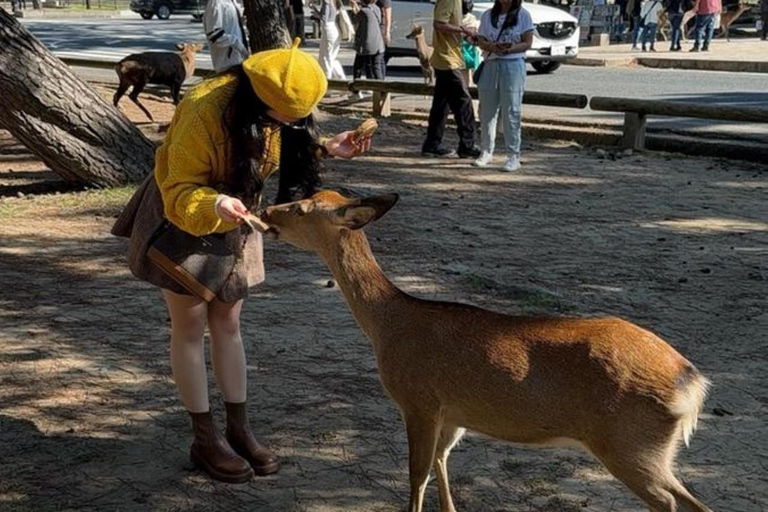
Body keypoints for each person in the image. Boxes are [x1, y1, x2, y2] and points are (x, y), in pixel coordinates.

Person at [111, 39, 372, 484]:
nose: (294, 124)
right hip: (186, 215)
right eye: (287, 117)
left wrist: (325, 147)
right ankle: (204, 436)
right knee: (189, 326)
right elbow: (179, 190)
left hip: (238, 214)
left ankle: (238, 427)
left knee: (228, 325)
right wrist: (215, 205)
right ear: (261, 99)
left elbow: (273, 145)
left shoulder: (271, 107)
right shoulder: (202, 109)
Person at [470, 0, 533, 172]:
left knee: (511, 110)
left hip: (513, 64)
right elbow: (481, 40)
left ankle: (513, 156)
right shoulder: (488, 15)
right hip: (491, 63)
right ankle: (486, 151)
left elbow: (528, 42)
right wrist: (491, 46)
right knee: (487, 111)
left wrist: (511, 48)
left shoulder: (523, 15)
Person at [421, 0, 481, 158]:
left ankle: (432, 144)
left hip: (449, 57)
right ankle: (467, 145)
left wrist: (465, 35)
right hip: (447, 60)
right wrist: (463, 30)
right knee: (464, 101)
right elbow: (439, 24)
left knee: (441, 105)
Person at [203, 0, 249, 73]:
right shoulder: (216, 3)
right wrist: (237, 43)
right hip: (227, 65)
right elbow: (214, 35)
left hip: (238, 60)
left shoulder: (231, 1)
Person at [350, 0, 386, 82]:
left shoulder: (364, 11)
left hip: (366, 45)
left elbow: (355, 20)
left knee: (358, 66)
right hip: (378, 44)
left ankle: (356, 90)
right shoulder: (377, 8)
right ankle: (382, 90)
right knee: (376, 67)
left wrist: (354, 6)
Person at [315, 0, 347, 80]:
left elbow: (324, 18)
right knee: (331, 57)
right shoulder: (336, 1)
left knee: (325, 59)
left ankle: (327, 81)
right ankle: (340, 78)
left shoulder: (327, 2)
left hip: (328, 30)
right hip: (335, 29)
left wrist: (317, 14)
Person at [377, 0, 392, 76]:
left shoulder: (385, 1)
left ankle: (380, 81)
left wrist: (387, 31)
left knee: (380, 58)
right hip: (372, 28)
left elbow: (388, 12)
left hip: (380, 29)